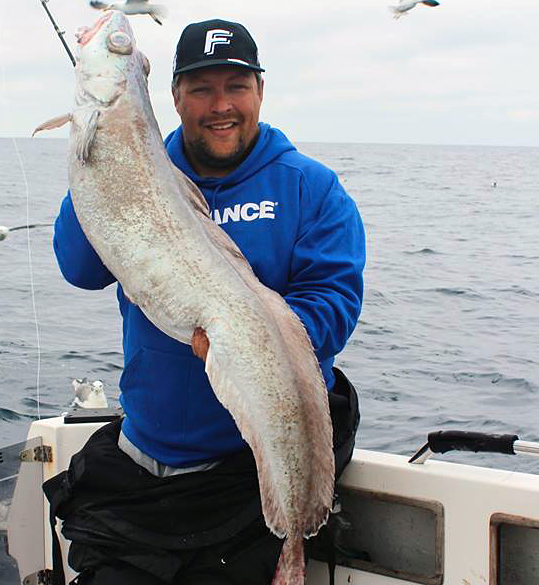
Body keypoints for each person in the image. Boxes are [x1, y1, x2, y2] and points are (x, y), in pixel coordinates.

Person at [48, 18, 365, 585]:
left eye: (236, 87)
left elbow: (334, 303)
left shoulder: (311, 188)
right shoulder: (139, 170)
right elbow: (79, 269)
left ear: (260, 92)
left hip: (242, 473)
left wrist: (242, 340)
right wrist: (98, 158)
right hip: (140, 463)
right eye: (201, 89)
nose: (221, 105)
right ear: (173, 97)